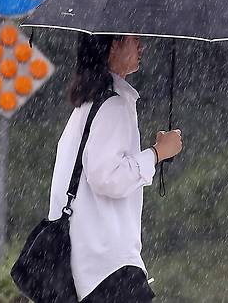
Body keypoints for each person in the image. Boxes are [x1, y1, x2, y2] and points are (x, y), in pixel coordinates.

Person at [47, 33, 182, 302]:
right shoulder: (113, 103)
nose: (141, 45)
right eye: (134, 39)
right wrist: (158, 153)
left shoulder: (89, 102)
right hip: (108, 266)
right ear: (112, 46)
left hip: (85, 265)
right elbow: (106, 177)